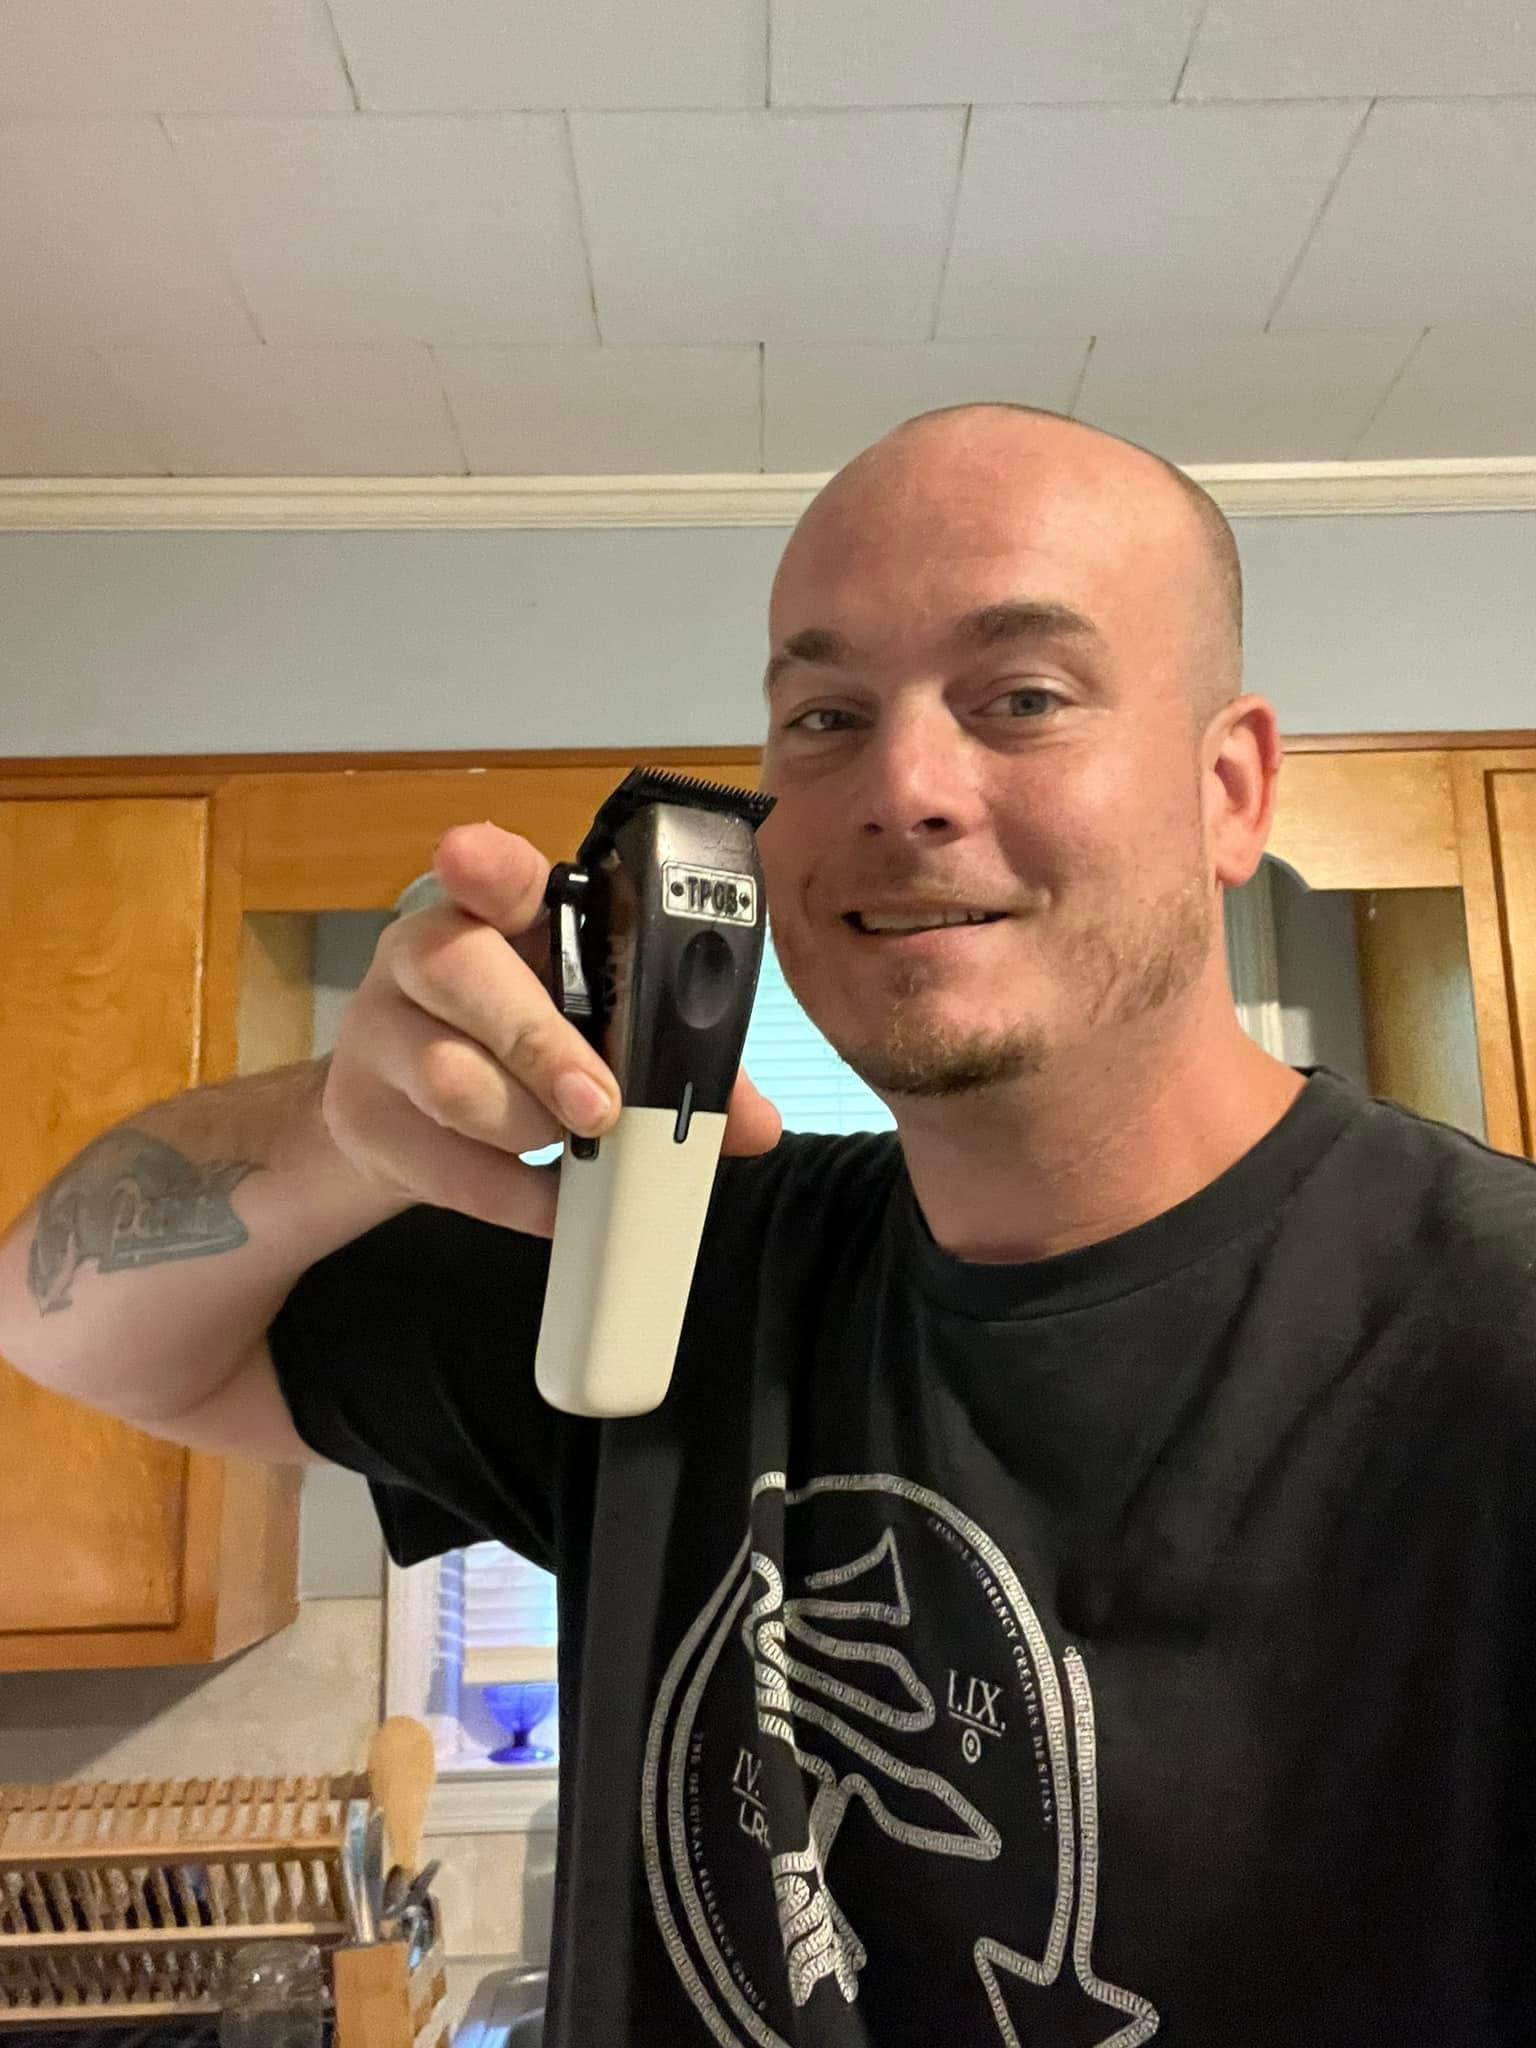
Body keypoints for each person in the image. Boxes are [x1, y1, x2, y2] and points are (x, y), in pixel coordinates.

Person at [2, 404, 1533, 2048]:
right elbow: (60, 1317)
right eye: (824, 716)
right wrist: (343, 1124)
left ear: (1230, 791)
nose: (902, 787)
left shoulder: (1491, 1336)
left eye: (1022, 697)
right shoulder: (671, 1276)